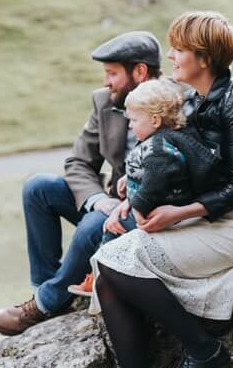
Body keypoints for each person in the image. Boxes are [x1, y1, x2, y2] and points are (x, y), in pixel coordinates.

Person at [0, 31, 233, 336]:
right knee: (39, 188)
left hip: (153, 205)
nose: (106, 82)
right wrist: (96, 200)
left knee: (95, 225)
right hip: (114, 200)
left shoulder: (180, 94)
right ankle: (46, 289)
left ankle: (42, 306)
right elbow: (78, 162)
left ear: (140, 71)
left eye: (112, 73)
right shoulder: (105, 100)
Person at [84, 11, 233, 368]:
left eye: (179, 49)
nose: (169, 55)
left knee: (113, 265)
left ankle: (204, 350)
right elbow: (176, 159)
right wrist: (131, 199)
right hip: (200, 217)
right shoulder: (188, 97)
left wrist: (178, 213)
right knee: (106, 266)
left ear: (203, 57)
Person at [68, 78, 220, 300]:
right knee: (116, 222)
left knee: (113, 226)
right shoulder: (174, 136)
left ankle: (98, 277)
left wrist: (136, 208)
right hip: (171, 203)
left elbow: (154, 182)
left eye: (134, 120)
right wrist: (129, 178)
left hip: (165, 212)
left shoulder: (157, 146)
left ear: (155, 119)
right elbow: (152, 172)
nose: (130, 126)